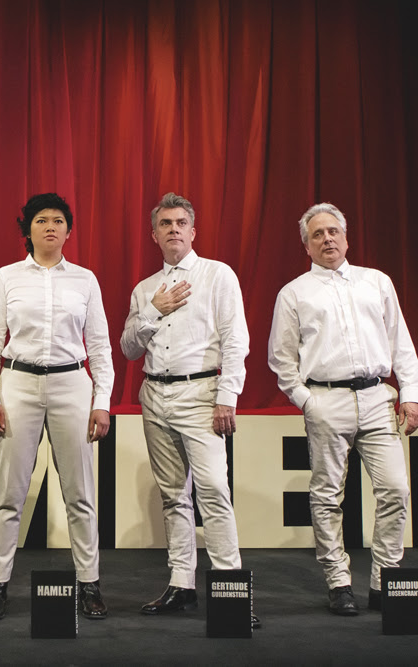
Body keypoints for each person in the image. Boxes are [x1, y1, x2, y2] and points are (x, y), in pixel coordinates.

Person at [268, 202, 418, 616]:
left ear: (346, 238)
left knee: (396, 489)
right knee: (327, 495)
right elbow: (281, 358)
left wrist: (410, 393)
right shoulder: (295, 292)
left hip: (376, 397)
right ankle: (338, 581)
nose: (327, 239)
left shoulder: (377, 281)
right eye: (317, 235)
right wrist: (308, 402)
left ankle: (385, 578)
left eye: (333, 231)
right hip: (326, 399)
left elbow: (400, 342)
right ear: (306, 246)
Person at [122, 192, 259, 629]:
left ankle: (229, 586)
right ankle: (181, 584)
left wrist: (227, 396)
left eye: (181, 223)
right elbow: (128, 348)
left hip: (201, 393)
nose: (174, 230)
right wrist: (152, 310)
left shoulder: (217, 275)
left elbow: (236, 340)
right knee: (173, 495)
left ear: (193, 231)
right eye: (165, 224)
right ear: (154, 235)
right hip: (154, 394)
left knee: (214, 490)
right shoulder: (145, 289)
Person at [0, 193, 113, 621]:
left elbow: (100, 346)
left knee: (81, 494)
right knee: (9, 492)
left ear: (68, 231)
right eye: (41, 220)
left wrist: (102, 401)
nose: (50, 226)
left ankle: (89, 583)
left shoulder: (85, 280)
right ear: (28, 229)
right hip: (18, 382)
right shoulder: (7, 277)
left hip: (72, 383)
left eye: (58, 220)